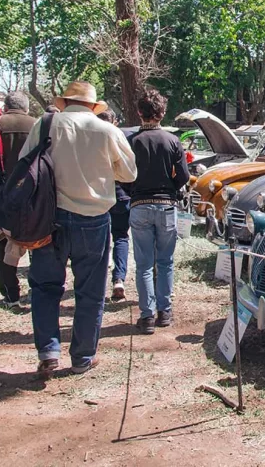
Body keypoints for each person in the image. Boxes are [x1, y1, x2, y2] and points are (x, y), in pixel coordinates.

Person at [23, 81, 137, 379]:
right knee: (90, 292)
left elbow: (24, 165)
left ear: (65, 102)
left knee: (46, 287)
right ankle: (82, 357)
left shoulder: (45, 124)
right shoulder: (107, 130)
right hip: (93, 218)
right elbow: (129, 173)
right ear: (92, 105)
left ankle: (48, 351)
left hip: (49, 218)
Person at [126, 89, 189, 334]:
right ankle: (165, 311)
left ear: (140, 112)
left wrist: (133, 189)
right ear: (162, 113)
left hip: (139, 205)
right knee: (166, 262)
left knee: (143, 265)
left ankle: (147, 315)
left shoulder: (132, 141)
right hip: (166, 206)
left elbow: (123, 175)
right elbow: (183, 175)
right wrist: (171, 190)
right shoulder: (172, 140)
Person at [0, 92, 37, 309]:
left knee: (3, 241)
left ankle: (11, 294)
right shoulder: (37, 125)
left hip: (3, 191)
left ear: (6, 106)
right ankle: (37, 288)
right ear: (26, 107)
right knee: (38, 241)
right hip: (33, 190)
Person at [96, 109, 131, 301]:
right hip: (121, 194)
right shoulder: (120, 138)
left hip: (99, 196)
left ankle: (99, 281)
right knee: (120, 237)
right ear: (115, 122)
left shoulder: (91, 142)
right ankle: (118, 278)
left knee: (100, 239)